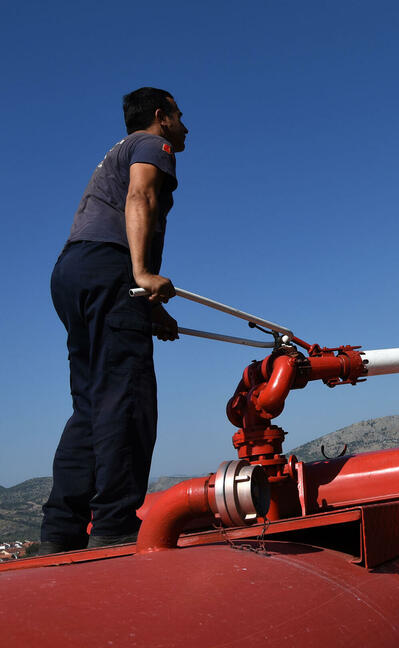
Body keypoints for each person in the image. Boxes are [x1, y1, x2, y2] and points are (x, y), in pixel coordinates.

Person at [40, 87, 188, 554]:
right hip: (110, 268)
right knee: (127, 394)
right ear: (161, 117)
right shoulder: (151, 145)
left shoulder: (117, 151)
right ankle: (114, 525)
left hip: (73, 271)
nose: (187, 127)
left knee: (91, 402)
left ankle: (60, 535)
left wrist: (149, 307)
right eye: (181, 116)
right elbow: (140, 195)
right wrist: (142, 276)